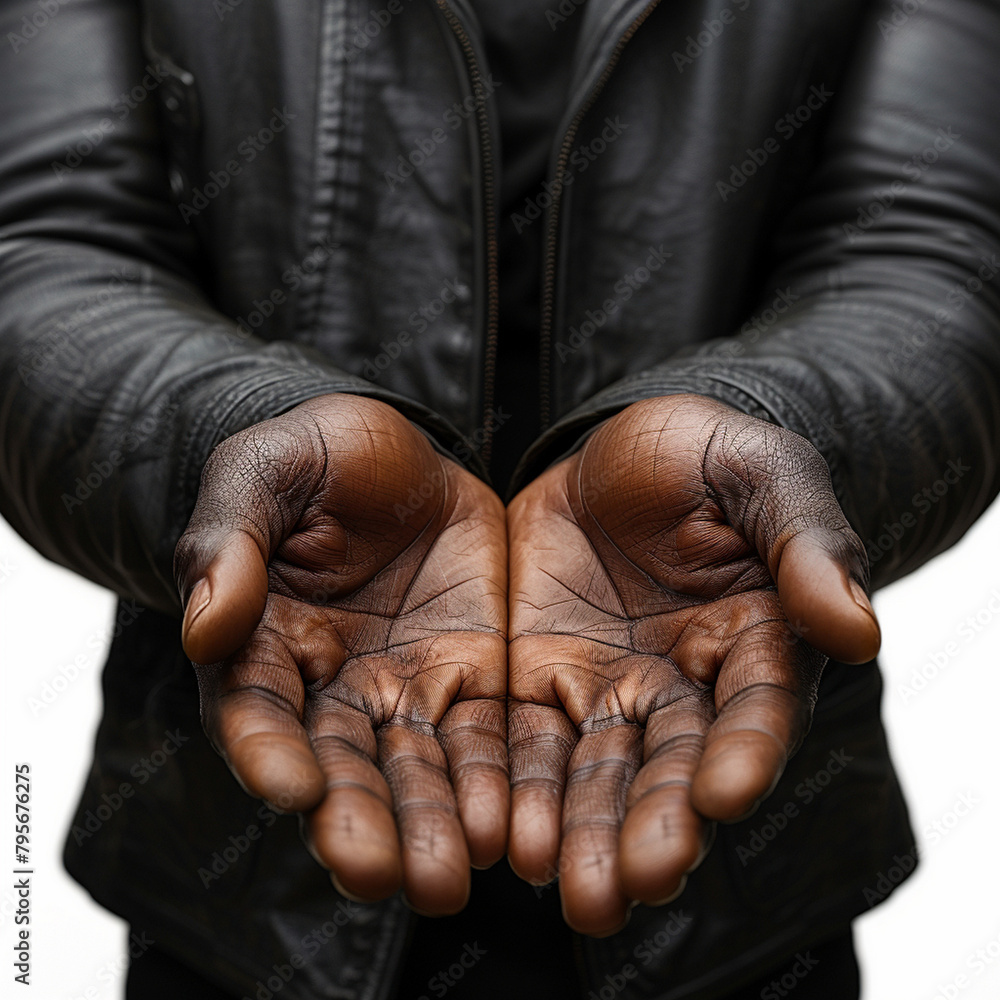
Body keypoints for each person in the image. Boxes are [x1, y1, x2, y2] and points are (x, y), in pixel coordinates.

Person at [1, 0, 998, 997]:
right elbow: (47, 249)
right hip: (252, 848)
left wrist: (766, 422)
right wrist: (238, 434)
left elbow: (931, 251)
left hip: (732, 851)